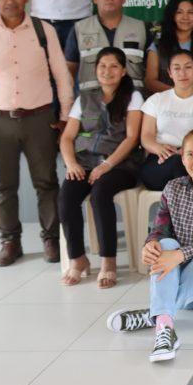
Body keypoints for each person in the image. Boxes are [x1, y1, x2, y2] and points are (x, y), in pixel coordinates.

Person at [106, 128, 193, 362]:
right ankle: (164, 325)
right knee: (165, 243)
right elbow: (159, 229)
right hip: (186, 285)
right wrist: (150, 245)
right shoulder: (173, 188)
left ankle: (154, 314)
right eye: (190, 155)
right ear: (182, 158)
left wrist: (179, 255)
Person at [0, 0, 73, 266]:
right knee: (3, 185)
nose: (10, 1)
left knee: (47, 181)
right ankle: (10, 241)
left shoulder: (44, 31)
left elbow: (61, 75)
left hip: (40, 118)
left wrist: (65, 115)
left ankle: (51, 239)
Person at [59, 47, 143, 288]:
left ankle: (108, 263)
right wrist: (71, 163)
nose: (107, 71)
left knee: (100, 194)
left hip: (121, 165)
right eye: (102, 66)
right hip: (84, 162)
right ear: (95, 69)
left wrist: (106, 165)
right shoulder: (84, 98)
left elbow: (131, 138)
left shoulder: (133, 97)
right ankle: (78, 259)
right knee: (66, 198)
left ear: (124, 70)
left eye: (114, 66)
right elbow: (67, 137)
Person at [140, 50, 193, 190]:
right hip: (159, 160)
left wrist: (184, 153)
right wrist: (159, 148)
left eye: (188, 67)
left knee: (182, 165)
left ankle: (183, 208)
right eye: (177, 68)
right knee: (178, 165)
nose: (182, 73)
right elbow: (146, 137)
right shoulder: (156, 100)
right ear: (170, 73)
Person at [65, 0, 151, 93]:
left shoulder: (142, 28)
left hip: (132, 103)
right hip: (91, 104)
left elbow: (151, 73)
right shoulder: (79, 29)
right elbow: (69, 71)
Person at [145, 0, 193, 96]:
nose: (186, 17)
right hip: (169, 105)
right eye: (179, 12)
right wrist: (180, 95)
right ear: (172, 15)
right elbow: (150, 81)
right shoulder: (158, 45)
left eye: (190, 12)